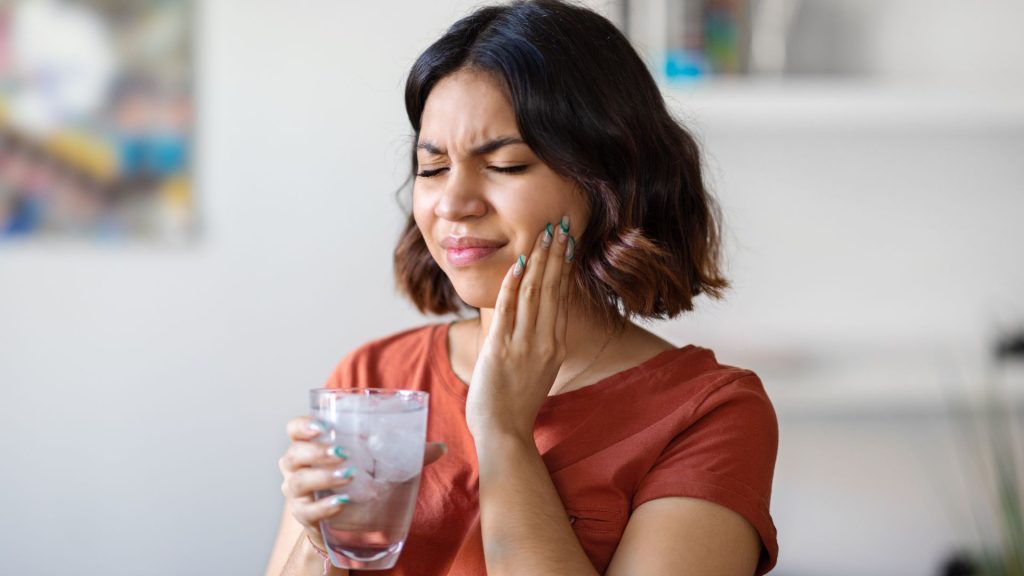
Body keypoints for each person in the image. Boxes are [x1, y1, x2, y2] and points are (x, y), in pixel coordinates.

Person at [266, 1, 779, 574]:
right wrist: (324, 540)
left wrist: (504, 431)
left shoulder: (709, 412)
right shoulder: (371, 382)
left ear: (608, 180)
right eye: (432, 169)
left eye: (506, 165)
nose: (454, 204)